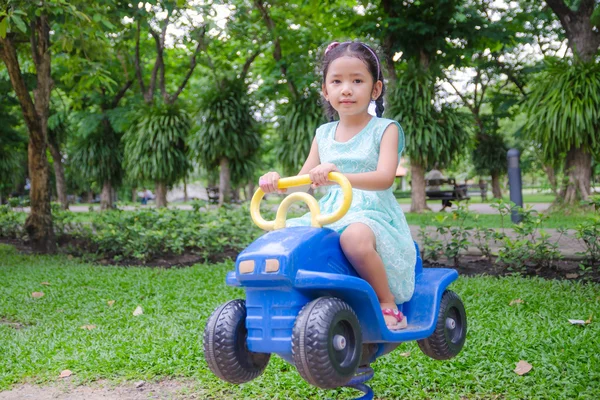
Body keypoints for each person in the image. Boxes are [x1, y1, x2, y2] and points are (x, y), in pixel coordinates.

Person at [259, 41, 416, 330]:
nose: (346, 89)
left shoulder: (386, 129)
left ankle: (387, 303)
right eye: (337, 81)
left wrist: (337, 175)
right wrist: (276, 182)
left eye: (357, 80)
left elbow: (384, 177)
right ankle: (290, 305)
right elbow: (303, 184)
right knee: (285, 236)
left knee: (354, 239)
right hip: (331, 211)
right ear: (325, 90)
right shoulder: (324, 134)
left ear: (375, 89)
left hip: (372, 211)